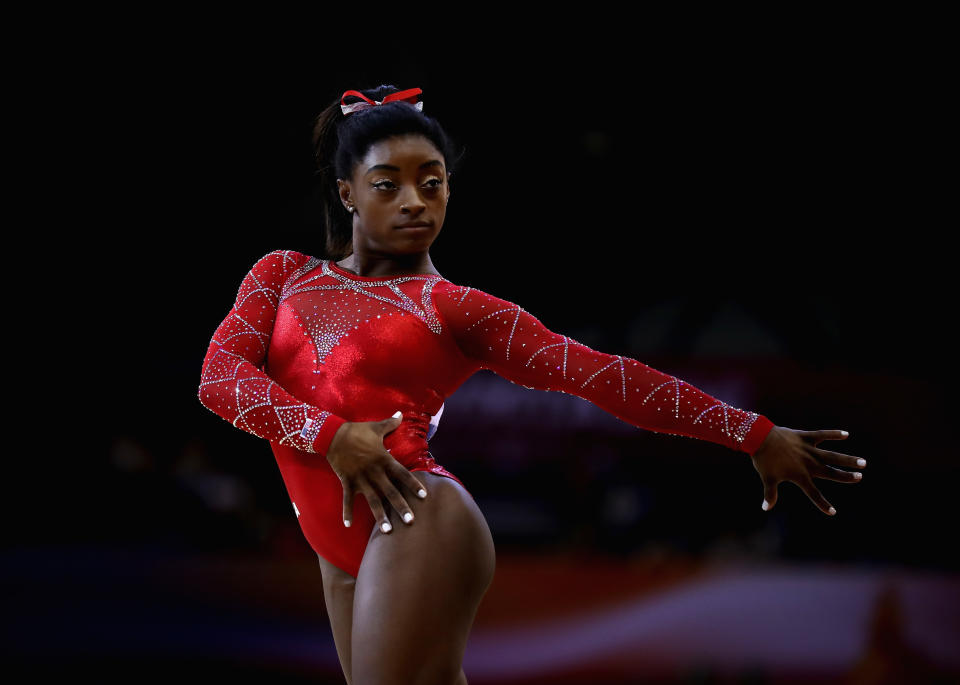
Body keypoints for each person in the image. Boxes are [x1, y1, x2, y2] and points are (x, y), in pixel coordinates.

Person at [197, 85, 866, 685]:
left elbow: (601, 375)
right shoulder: (281, 274)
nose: (414, 202)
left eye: (432, 184)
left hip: (416, 518)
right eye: (388, 184)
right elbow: (219, 378)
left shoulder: (457, 309)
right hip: (339, 545)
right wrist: (332, 435)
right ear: (347, 192)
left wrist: (750, 431)